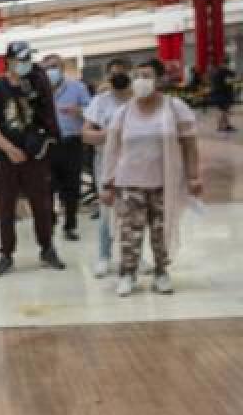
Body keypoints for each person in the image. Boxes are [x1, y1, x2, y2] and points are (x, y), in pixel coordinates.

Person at [100, 59, 202, 296]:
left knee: (161, 231)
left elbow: (190, 145)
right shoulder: (123, 112)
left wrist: (194, 176)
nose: (140, 81)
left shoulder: (175, 107)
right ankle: (128, 274)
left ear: (158, 80)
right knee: (129, 232)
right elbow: (112, 149)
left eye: (146, 76)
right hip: (130, 183)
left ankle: (161, 273)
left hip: (164, 183)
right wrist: (107, 182)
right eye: (137, 76)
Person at [0, 41, 66, 277]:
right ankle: (6, 253)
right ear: (9, 61)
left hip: (35, 157)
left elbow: (46, 118)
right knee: (6, 208)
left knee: (42, 205)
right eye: (21, 60)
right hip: (5, 159)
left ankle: (47, 248)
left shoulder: (35, 84)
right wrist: (9, 149)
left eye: (28, 60)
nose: (25, 64)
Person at [83, 57, 134, 278]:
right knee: (107, 210)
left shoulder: (139, 100)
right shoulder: (100, 102)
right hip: (106, 162)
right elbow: (85, 134)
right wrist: (107, 135)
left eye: (123, 72)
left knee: (133, 211)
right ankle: (104, 256)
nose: (119, 76)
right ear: (108, 77)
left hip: (136, 163)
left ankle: (134, 256)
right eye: (114, 73)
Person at [43, 54, 93, 241]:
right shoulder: (39, 90)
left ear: (62, 68)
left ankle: (70, 225)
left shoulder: (77, 88)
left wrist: (78, 111)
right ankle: (50, 219)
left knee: (71, 187)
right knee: (47, 186)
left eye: (54, 66)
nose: (51, 71)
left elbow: (92, 111)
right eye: (47, 68)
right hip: (48, 145)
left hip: (72, 143)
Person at [209, 63, 237, 133]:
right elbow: (229, 82)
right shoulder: (225, 73)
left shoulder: (216, 72)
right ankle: (221, 127)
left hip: (216, 94)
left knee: (224, 110)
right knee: (223, 111)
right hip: (223, 94)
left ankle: (226, 125)